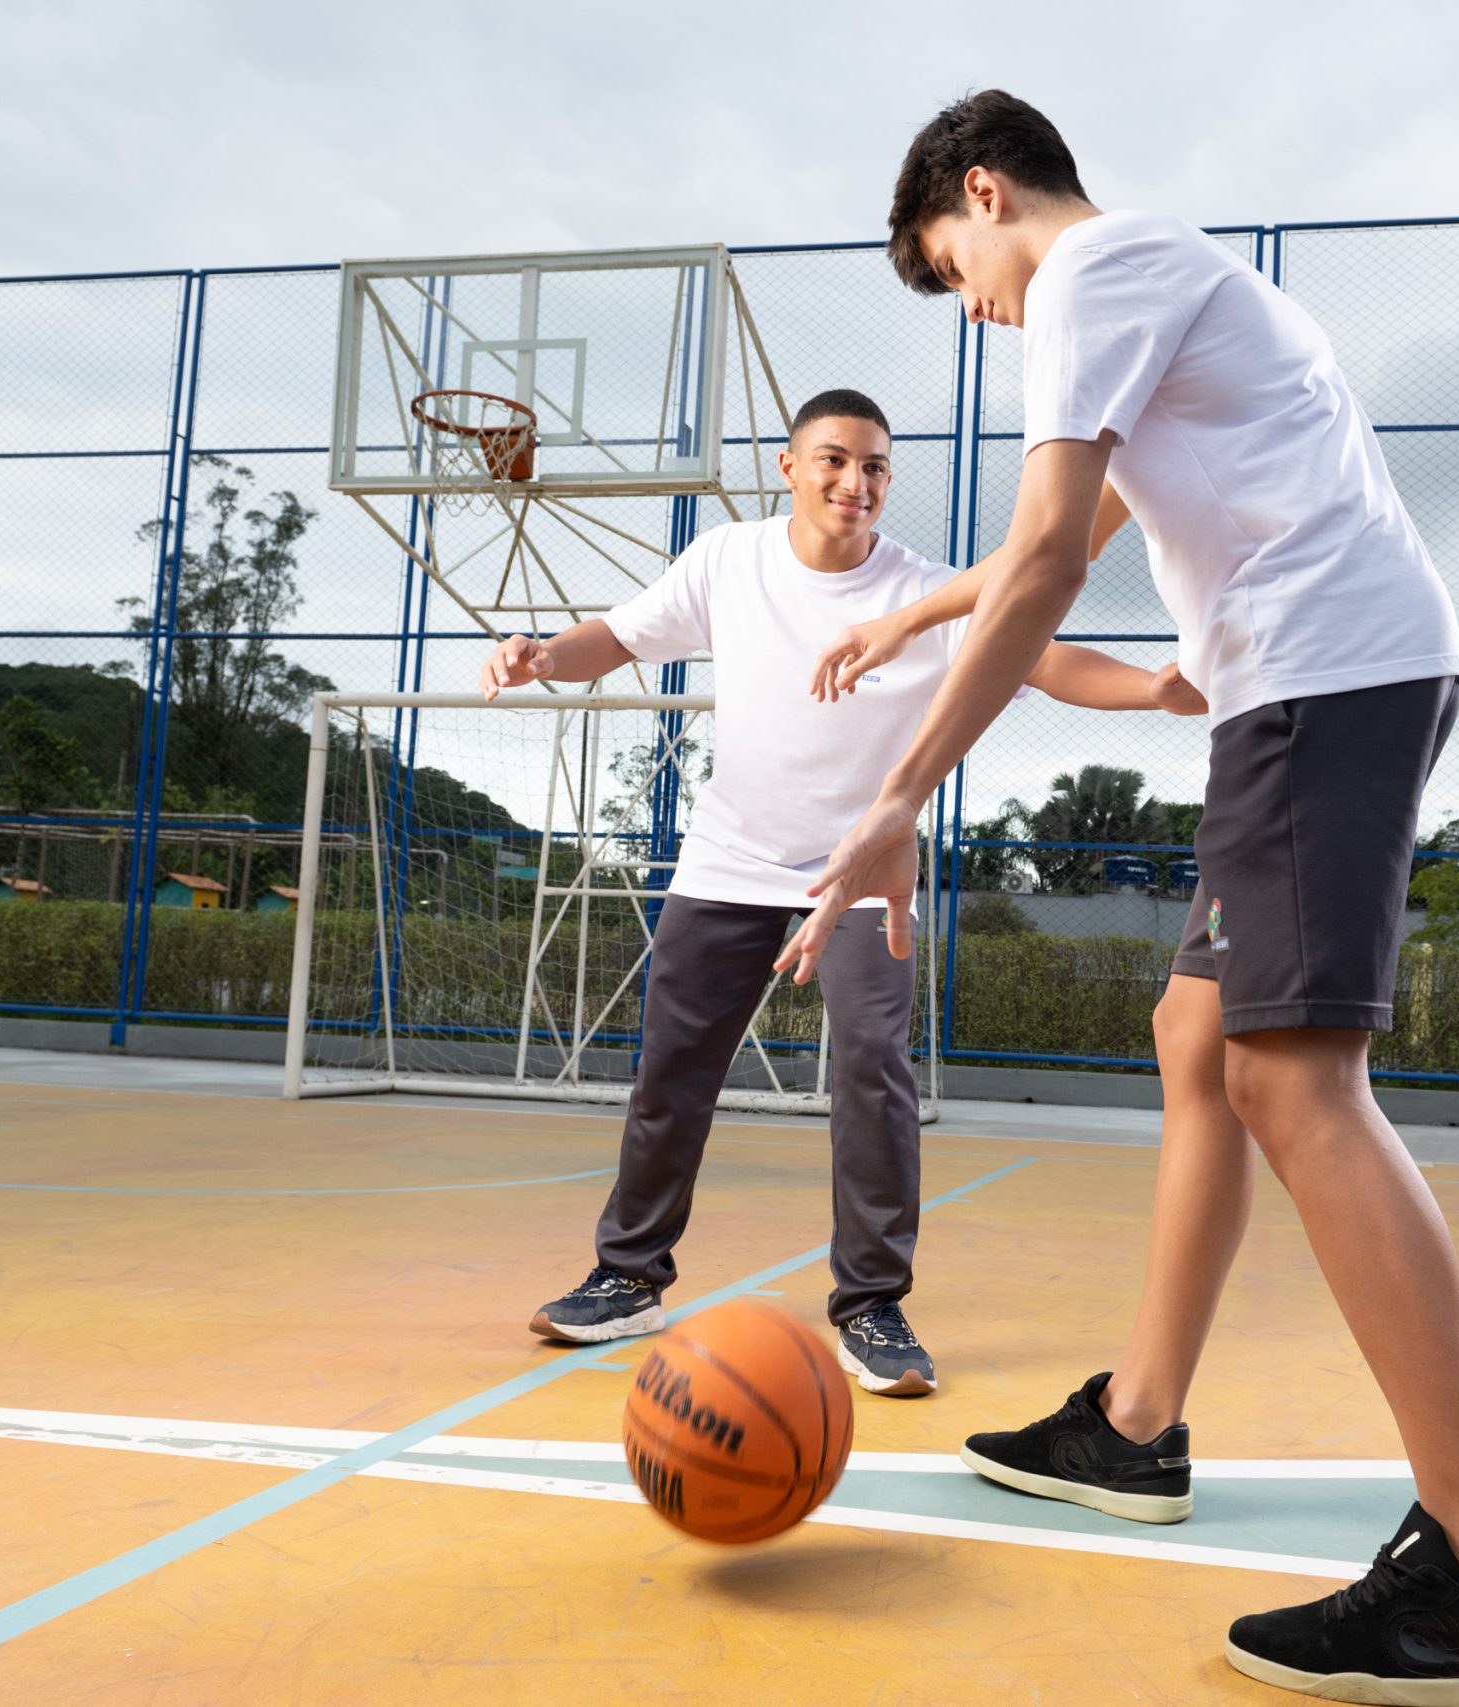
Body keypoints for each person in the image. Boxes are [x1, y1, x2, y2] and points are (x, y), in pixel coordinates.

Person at [778, 95, 1459, 1702]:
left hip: (1319, 678)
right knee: (1199, 1038)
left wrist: (893, 801)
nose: (979, 306)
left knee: (1295, 1079)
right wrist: (929, 602)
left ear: (985, 193)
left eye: (959, 269)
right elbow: (1061, 544)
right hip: (1311, 675)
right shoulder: (1155, 284)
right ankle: (1138, 1423)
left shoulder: (1091, 277)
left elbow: (1056, 552)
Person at [480, 385, 1197, 1399]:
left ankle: (870, 1305)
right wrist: (543, 658)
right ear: (788, 466)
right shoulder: (728, 560)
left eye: (872, 466)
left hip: (862, 875)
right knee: (672, 1070)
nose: (853, 482)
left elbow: (1037, 660)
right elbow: (621, 636)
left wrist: (1153, 688)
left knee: (871, 1072)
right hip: (730, 859)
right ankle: (628, 1275)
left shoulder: (926, 593)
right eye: (832, 460)